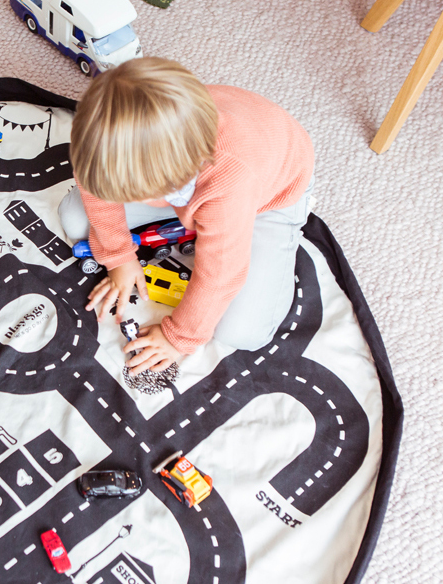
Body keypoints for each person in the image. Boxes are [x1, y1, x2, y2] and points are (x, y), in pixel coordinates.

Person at [59, 57, 314, 374]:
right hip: (191, 168)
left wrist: (177, 338)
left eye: (125, 193)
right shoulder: (122, 146)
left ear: (162, 185)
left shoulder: (228, 184)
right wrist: (118, 256)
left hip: (272, 196)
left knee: (243, 331)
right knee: (74, 217)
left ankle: (266, 230)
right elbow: (92, 185)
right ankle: (190, 220)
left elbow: (221, 276)